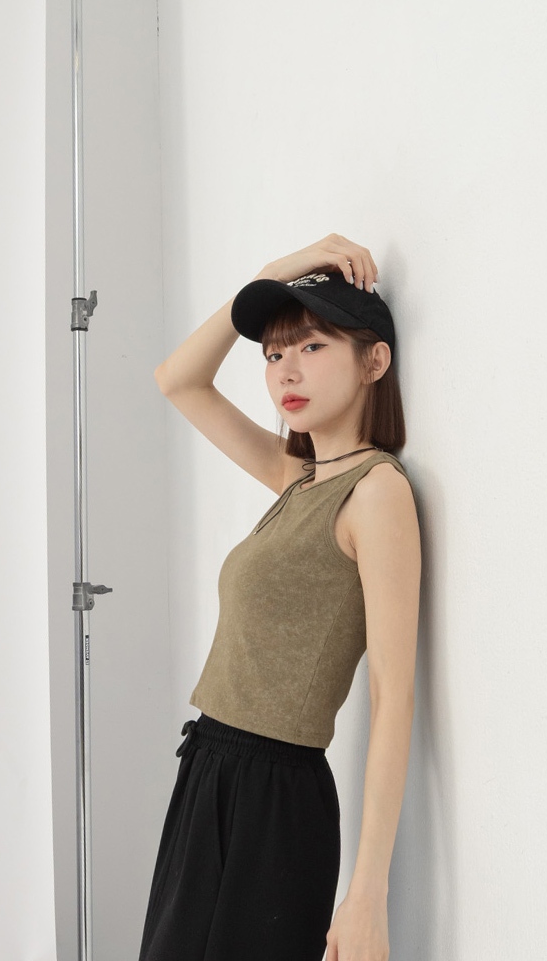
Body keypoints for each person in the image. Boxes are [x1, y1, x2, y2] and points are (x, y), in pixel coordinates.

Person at [139, 233, 421, 961]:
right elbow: (177, 379)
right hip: (208, 771)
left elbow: (394, 695)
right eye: (272, 354)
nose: (285, 371)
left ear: (374, 361)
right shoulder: (299, 478)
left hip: (274, 799)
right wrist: (274, 273)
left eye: (312, 346)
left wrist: (367, 894)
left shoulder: (375, 494)